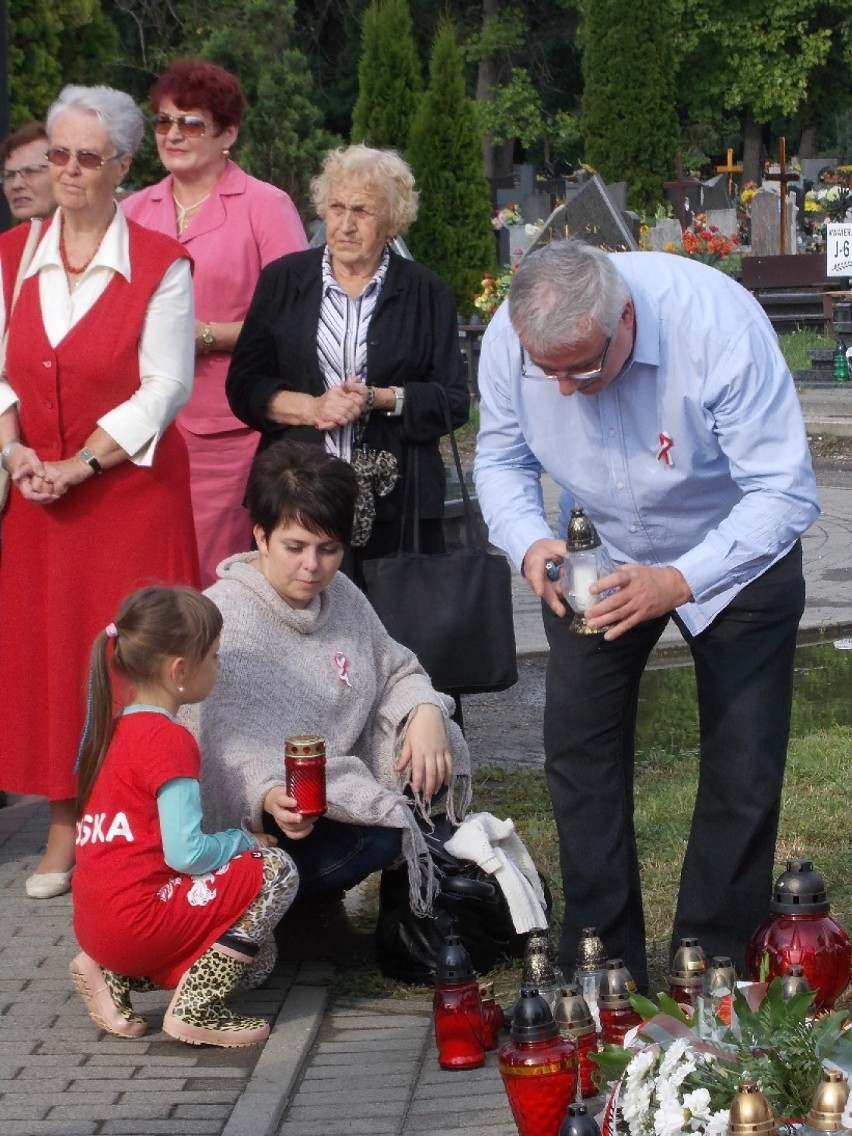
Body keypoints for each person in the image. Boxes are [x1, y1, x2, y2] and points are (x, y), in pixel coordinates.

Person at [473, 238, 820, 989]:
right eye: (549, 372)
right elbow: (499, 458)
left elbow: (784, 492)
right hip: (596, 547)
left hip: (734, 546)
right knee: (578, 746)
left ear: (625, 317)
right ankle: (602, 959)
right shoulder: (514, 337)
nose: (565, 390)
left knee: (742, 759)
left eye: (585, 368)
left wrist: (680, 580)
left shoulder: (718, 325)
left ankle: (714, 960)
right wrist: (531, 545)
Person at [0, 84, 199, 900]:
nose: (69, 170)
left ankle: (136, 826)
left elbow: (166, 386)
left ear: (122, 166)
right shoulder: (11, 256)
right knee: (50, 655)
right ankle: (61, 826)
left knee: (134, 653)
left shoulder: (161, 260)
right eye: (58, 154)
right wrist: (15, 455)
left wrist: (79, 463)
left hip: (128, 491)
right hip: (36, 492)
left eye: (88, 157)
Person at [181, 440, 471, 928]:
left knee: (434, 747)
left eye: (328, 549)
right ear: (260, 536)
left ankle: (409, 912)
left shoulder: (342, 595)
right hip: (265, 817)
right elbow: (218, 746)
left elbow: (393, 667)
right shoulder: (226, 617)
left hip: (329, 785)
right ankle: (258, 908)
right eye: (294, 547)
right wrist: (268, 795)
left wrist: (423, 710)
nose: (312, 567)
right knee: (379, 834)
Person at [225, 143, 469, 580]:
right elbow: (243, 386)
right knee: (294, 629)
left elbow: (453, 402)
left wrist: (380, 398)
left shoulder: (428, 293)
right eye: (336, 208)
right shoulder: (283, 280)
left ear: (392, 223)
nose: (346, 225)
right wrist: (312, 407)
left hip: (397, 507)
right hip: (295, 499)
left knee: (391, 632)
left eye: (363, 211)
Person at [70, 585, 298, 1047]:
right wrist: (244, 842)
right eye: (213, 656)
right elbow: (187, 853)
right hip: (141, 921)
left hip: (98, 924)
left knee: (260, 964)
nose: (218, 666)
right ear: (180, 670)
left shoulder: (114, 730)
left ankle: (112, 972)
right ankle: (195, 1010)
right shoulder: (169, 739)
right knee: (278, 871)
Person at [122, 59, 308, 587]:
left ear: (228, 133)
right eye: (163, 122)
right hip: (141, 426)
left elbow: (294, 320)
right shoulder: (133, 211)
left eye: (191, 123)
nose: (173, 135)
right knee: (148, 581)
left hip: (228, 429)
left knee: (213, 581)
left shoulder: (264, 206)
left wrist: (206, 335)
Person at [0, 121, 56, 222]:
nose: (16, 185)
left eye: (31, 171)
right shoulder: (6, 238)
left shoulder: (91, 236)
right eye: (9, 175)